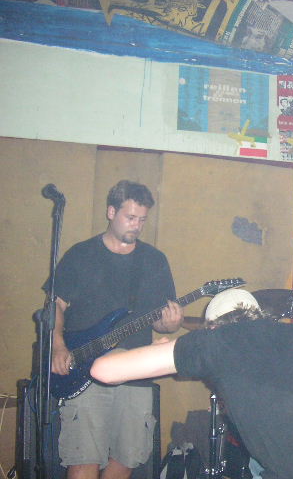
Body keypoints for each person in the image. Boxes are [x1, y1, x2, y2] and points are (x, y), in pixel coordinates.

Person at [90, 289, 293, 479]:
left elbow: (104, 370)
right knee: (257, 466)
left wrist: (146, 349)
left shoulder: (216, 342)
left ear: (212, 327)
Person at [51, 180, 183, 479]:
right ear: (111, 212)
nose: (136, 225)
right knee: (83, 457)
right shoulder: (81, 254)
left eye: (142, 220)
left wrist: (170, 324)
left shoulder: (154, 260)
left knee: (127, 457)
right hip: (85, 367)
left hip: (136, 369)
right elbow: (55, 305)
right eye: (130, 217)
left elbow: (160, 319)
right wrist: (58, 345)